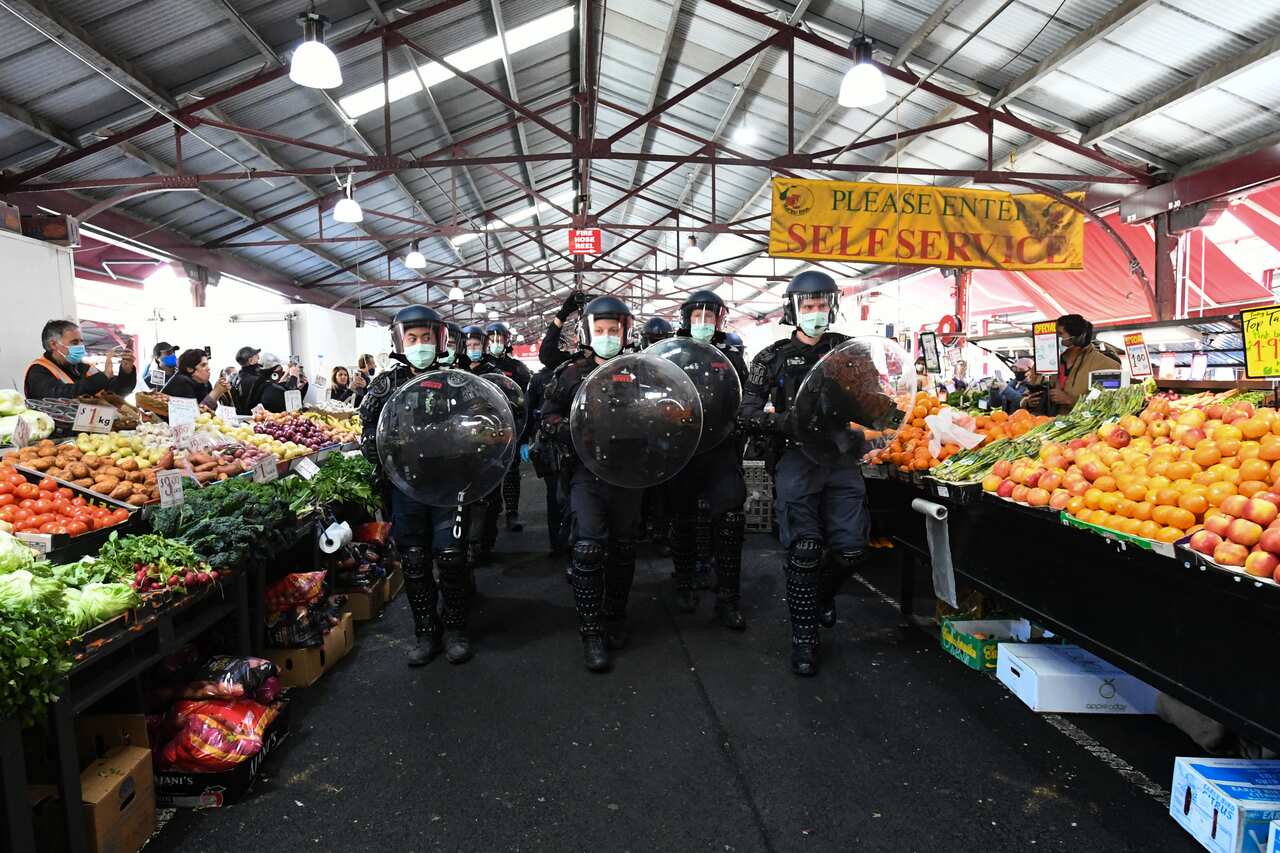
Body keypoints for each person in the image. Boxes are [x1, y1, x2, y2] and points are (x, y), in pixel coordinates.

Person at [740, 271, 868, 677]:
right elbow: (747, 414)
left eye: (821, 305)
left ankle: (821, 597)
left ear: (832, 305)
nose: (815, 313)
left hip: (842, 458)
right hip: (796, 459)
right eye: (807, 306)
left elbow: (874, 399)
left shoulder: (851, 351)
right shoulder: (769, 358)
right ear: (792, 308)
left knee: (851, 550)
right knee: (805, 550)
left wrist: (881, 417)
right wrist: (785, 424)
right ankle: (805, 641)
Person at [359, 305, 472, 666]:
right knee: (414, 560)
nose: (420, 345)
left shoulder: (459, 383)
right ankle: (426, 631)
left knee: (451, 557)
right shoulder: (384, 386)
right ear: (400, 341)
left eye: (426, 338)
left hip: (449, 485)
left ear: (439, 340)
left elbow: (478, 427)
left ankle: (455, 628)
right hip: (405, 485)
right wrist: (386, 461)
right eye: (413, 339)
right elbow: (367, 434)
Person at [540, 295, 643, 672]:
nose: (606, 336)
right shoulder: (569, 374)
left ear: (625, 332)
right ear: (587, 333)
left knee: (624, 548)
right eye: (599, 330)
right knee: (587, 548)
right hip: (586, 473)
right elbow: (547, 418)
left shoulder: (642, 370)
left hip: (630, 474)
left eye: (612, 330)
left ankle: (615, 617)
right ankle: (591, 631)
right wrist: (572, 430)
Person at [664, 290, 749, 629]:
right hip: (683, 452)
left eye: (709, 318)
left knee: (730, 519)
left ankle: (728, 598)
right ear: (686, 320)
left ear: (719, 320)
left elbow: (744, 398)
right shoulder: (671, 353)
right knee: (681, 519)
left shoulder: (731, 356)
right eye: (696, 317)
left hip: (721, 451)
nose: (702, 324)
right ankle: (684, 582)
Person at [482, 321, 532, 533]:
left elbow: (525, 402)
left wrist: (524, 435)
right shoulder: (479, 367)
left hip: (509, 427)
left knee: (510, 473)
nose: (496, 343)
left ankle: (512, 513)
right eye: (492, 339)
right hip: (482, 431)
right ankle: (489, 516)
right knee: (485, 474)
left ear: (507, 341)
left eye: (499, 339)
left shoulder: (517, 368)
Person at [1023, 314, 1119, 415]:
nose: (1052, 339)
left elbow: (1110, 405)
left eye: (1059, 334)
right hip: (1042, 425)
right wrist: (1027, 402)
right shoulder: (1042, 363)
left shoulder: (1107, 366)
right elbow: (1024, 397)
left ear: (1077, 338)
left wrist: (1071, 401)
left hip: (1080, 428)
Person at [25, 320, 137, 399]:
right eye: (74, 342)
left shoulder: (82, 367)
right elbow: (60, 395)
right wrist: (103, 377)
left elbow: (115, 392)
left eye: (81, 342)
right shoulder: (38, 371)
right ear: (54, 344)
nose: (80, 346)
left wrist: (126, 373)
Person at [162, 349, 229, 408]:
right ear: (189, 369)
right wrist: (216, 392)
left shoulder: (206, 383)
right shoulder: (181, 381)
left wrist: (220, 391)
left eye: (207, 364)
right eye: (203, 365)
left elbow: (210, 412)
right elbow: (195, 416)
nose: (208, 368)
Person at [540, 292, 590, 369]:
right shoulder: (575, 362)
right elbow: (547, 356)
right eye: (598, 330)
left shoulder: (614, 361)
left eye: (612, 330)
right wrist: (562, 315)